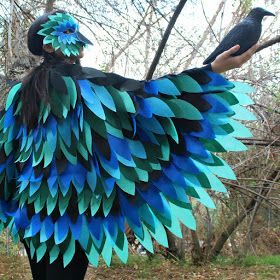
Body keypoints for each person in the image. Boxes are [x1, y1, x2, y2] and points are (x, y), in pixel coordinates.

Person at [0, 9, 257, 280]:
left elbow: (6, 155)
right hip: (72, 217)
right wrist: (211, 71)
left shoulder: (22, 91)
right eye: (67, 33)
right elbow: (148, 101)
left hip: (31, 214)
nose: (79, 43)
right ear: (49, 45)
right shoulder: (83, 86)